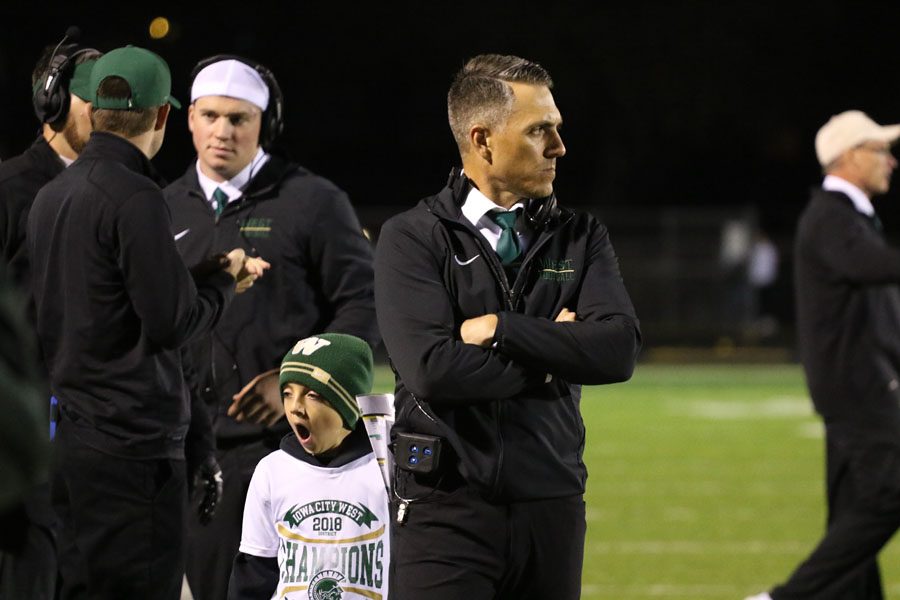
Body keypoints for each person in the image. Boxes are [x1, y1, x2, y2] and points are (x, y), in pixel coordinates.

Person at [374, 54, 641, 599]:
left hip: (551, 505)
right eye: (540, 130)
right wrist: (554, 356)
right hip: (443, 507)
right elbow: (435, 372)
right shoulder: (412, 238)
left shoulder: (580, 236)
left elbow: (616, 351)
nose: (559, 147)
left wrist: (503, 327)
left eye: (557, 129)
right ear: (483, 139)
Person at [26, 45, 268, 599]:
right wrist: (226, 282)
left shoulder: (51, 195)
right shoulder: (136, 194)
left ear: (94, 109)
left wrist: (202, 276)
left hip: (69, 441)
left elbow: (105, 302)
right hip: (131, 451)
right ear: (162, 116)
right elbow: (172, 322)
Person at [164, 55, 379, 599]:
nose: (222, 131)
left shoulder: (313, 201)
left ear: (265, 122)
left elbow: (365, 304)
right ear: (189, 118)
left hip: (288, 450)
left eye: (239, 118)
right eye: (210, 115)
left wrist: (293, 379)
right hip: (191, 448)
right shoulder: (160, 208)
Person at [746, 110, 900, 600]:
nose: (891, 162)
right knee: (888, 496)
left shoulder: (847, 216)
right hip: (859, 390)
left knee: (853, 509)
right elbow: (875, 266)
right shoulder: (832, 214)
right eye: (881, 151)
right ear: (850, 156)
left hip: (862, 387)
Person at [0, 33, 100, 600]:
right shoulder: (10, 189)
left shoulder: (133, 192)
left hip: (97, 440)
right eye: (95, 98)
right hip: (28, 437)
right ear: (54, 99)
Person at [227, 333, 389, 599]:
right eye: (287, 394)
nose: (295, 408)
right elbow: (254, 574)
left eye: (313, 395)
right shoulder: (272, 470)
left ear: (347, 403)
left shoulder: (384, 468)